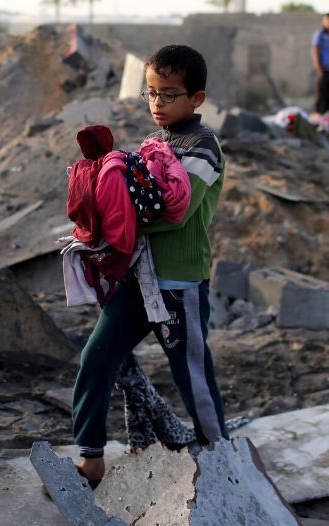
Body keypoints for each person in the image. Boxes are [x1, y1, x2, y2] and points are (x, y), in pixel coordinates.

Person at [72, 44, 228, 487]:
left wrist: (114, 217)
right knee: (97, 358)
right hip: (140, 279)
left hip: (179, 280)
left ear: (197, 98)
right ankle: (91, 456)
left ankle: (220, 457)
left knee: (192, 376)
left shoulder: (203, 147)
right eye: (152, 93)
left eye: (169, 94)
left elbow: (175, 213)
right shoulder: (158, 144)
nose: (157, 104)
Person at [312, 12, 329, 114]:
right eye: (328, 21)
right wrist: (318, 68)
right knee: (321, 93)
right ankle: (318, 113)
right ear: (324, 21)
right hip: (323, 68)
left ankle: (328, 113)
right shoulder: (320, 34)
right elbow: (316, 51)